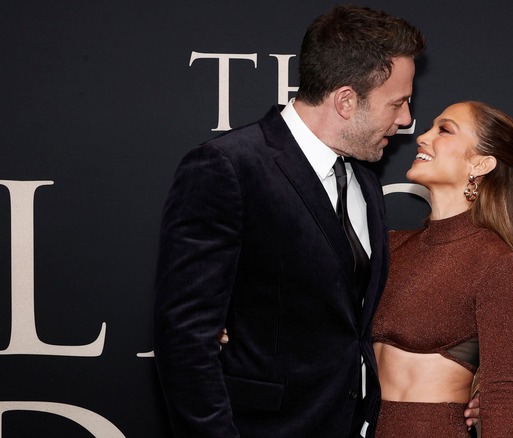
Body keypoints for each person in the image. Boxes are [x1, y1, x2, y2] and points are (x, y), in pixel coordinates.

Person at [153, 5, 426, 437]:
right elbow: (186, 340)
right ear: (345, 100)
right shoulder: (230, 168)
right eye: (398, 103)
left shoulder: (364, 182)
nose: (408, 119)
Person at [371, 101, 513, 437]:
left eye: (444, 129)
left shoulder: (497, 264)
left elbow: (499, 396)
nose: (422, 136)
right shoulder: (392, 246)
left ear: (481, 163)